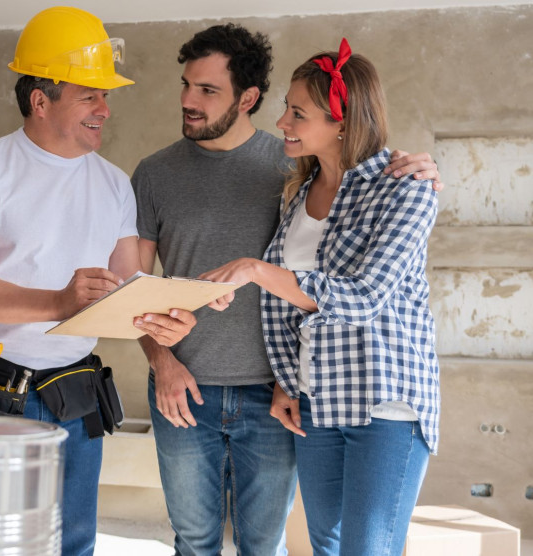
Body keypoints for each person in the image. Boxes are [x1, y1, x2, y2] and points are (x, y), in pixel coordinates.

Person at [132, 25, 442, 555]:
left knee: (334, 546)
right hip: (292, 399)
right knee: (305, 542)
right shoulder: (296, 189)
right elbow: (280, 310)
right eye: (187, 84)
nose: (188, 99)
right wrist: (282, 378)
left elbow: (360, 295)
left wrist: (253, 274)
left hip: (369, 398)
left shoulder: (360, 178)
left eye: (297, 112)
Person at [0, 7, 196, 555]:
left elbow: (129, 287)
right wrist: (58, 301)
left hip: (73, 393)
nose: (105, 110)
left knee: (73, 543)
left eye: (106, 97)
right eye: (89, 96)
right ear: (40, 100)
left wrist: (164, 319)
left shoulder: (113, 184)